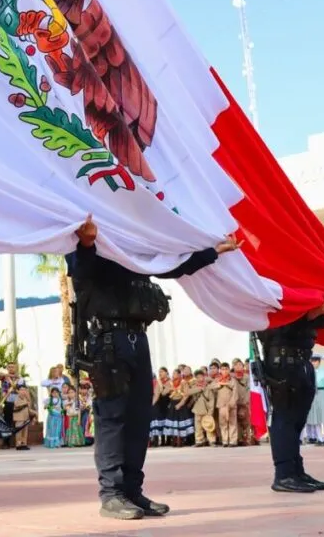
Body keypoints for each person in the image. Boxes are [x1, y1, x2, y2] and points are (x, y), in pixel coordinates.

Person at [66, 214, 239, 520]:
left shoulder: (138, 244)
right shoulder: (91, 237)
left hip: (137, 338)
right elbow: (79, 271)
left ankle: (132, 490)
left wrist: (215, 251)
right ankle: (112, 494)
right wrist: (88, 242)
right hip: (107, 340)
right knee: (112, 418)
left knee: (138, 418)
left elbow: (173, 265)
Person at [255, 293, 324, 493]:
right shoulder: (266, 302)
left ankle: (296, 471)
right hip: (283, 365)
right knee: (285, 420)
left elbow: (310, 326)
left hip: (300, 363)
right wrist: (310, 316)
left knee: (297, 421)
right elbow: (279, 331)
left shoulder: (291, 300)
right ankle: (284, 474)